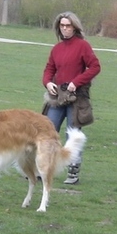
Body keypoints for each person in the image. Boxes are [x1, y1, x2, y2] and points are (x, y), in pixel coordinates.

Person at [42, 11, 101, 184]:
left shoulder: (83, 46)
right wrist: (48, 83)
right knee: (47, 131)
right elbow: (49, 69)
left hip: (77, 98)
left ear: (75, 27)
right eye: (62, 25)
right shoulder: (57, 49)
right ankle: (43, 169)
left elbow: (95, 67)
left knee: (72, 134)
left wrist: (76, 82)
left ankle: (73, 173)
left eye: (68, 25)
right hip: (56, 97)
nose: (65, 29)